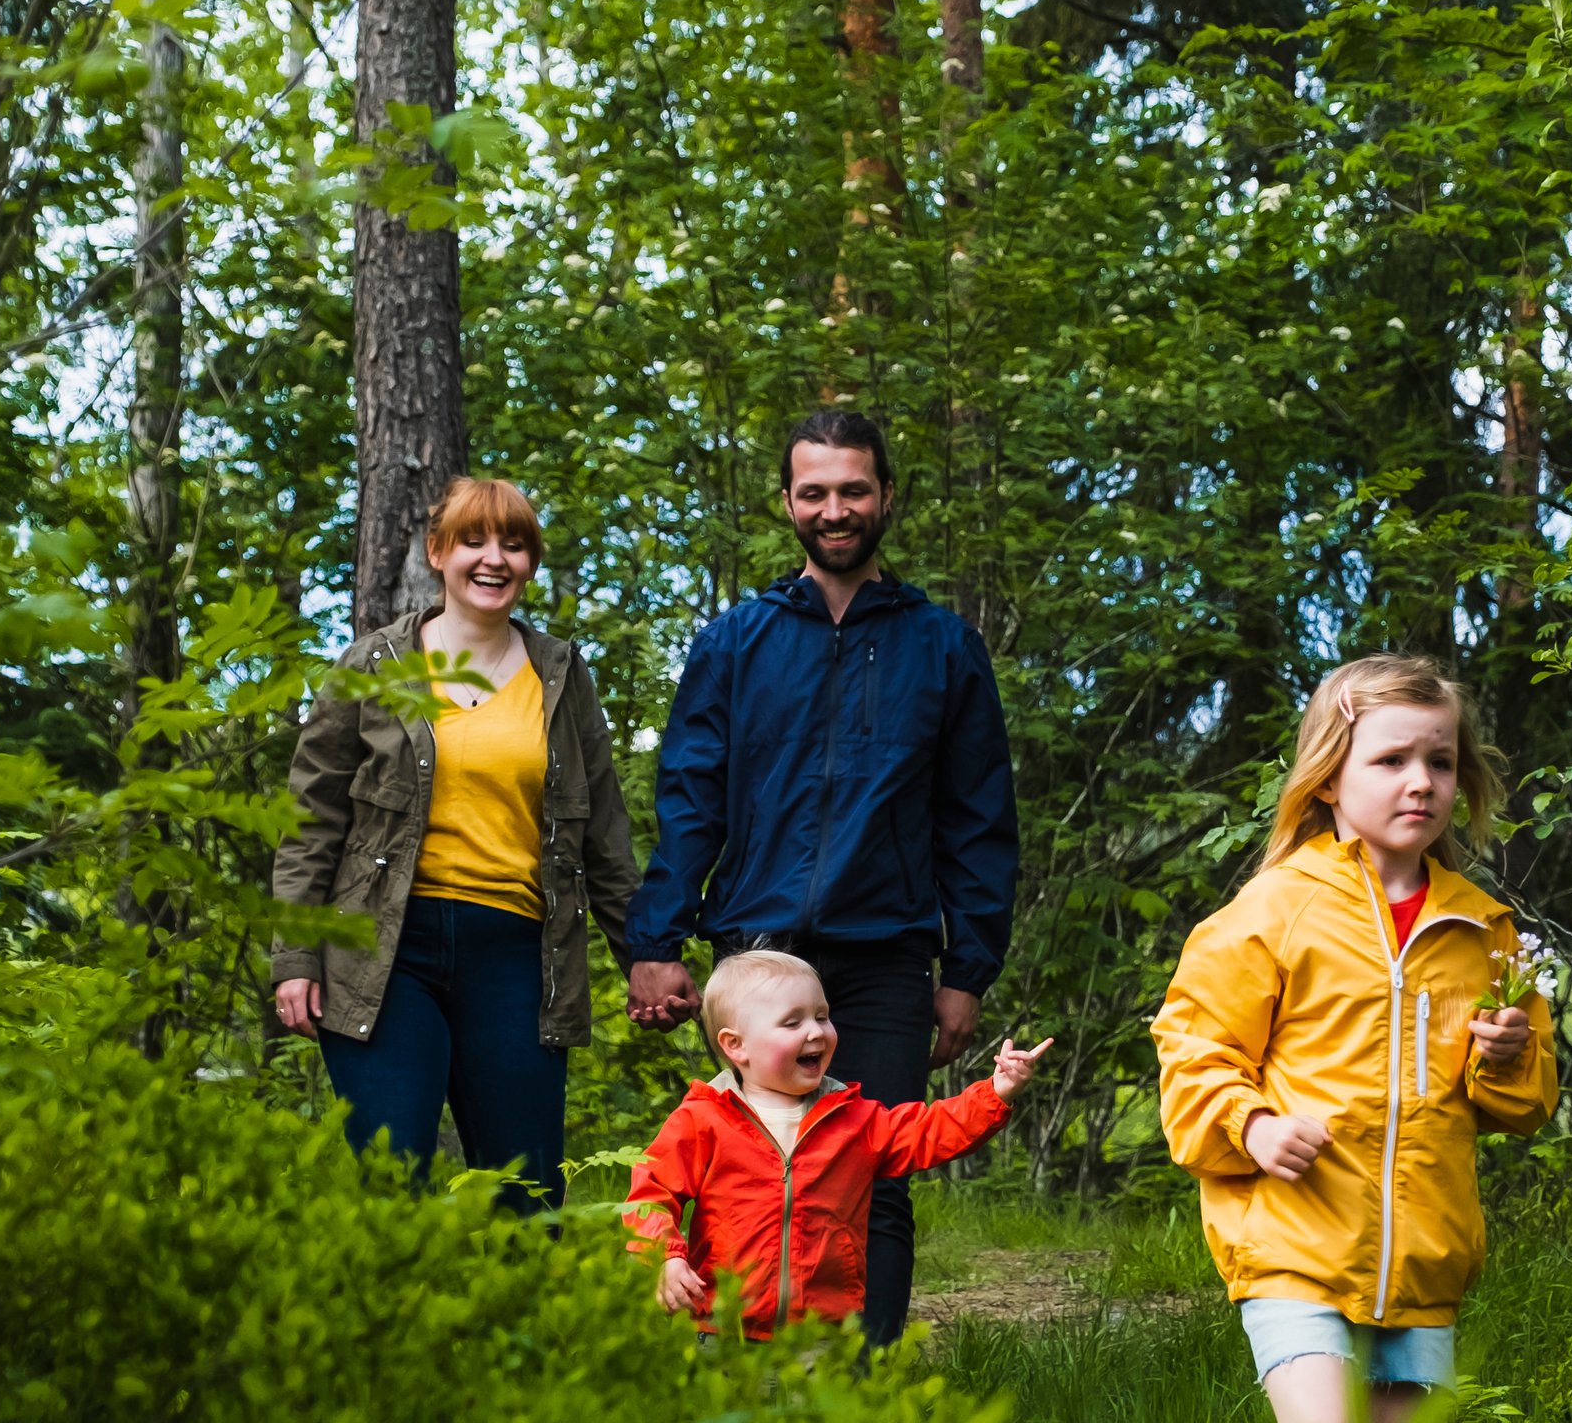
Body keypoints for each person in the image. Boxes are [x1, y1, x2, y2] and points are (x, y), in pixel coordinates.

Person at [1152, 655, 1557, 1423]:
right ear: (1330, 777)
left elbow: (1522, 1100)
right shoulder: (1278, 906)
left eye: (1441, 760)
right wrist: (1250, 1125)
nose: (1421, 781)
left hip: (1422, 1252)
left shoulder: (1483, 929)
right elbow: (1193, 1045)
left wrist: (1504, 1057)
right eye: (1390, 761)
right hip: (1295, 1236)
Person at [624, 409, 1019, 1345]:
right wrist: (656, 941)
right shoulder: (736, 641)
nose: (834, 509)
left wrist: (966, 969)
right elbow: (689, 797)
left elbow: (979, 819)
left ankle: (861, 1394)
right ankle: (750, 1382)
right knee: (741, 1179)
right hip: (756, 952)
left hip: (885, 959)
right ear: (789, 502)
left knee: (874, 1178)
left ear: (885, 495)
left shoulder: (943, 647)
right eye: (815, 492)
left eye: (852, 490)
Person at [271, 476, 638, 1213]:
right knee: (391, 1182)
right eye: (473, 539)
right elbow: (312, 820)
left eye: (512, 542)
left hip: (516, 957)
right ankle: (398, 1330)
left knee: (525, 1195)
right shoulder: (373, 666)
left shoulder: (561, 677)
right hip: (381, 951)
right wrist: (295, 957)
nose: (492, 557)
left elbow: (604, 837)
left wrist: (648, 959)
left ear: (530, 560)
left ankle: (519, 1329)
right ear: (438, 552)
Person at [625, 949, 1052, 1338]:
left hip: (824, 1333)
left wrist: (995, 1092)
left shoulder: (854, 1119)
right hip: (725, 1330)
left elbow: (930, 1131)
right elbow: (651, 1194)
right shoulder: (704, 1118)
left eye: (822, 1016)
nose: (816, 1031)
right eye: (793, 1022)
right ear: (736, 1046)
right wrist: (667, 1256)